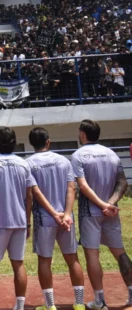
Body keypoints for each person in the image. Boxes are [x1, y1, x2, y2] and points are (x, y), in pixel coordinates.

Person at [71, 120, 132, 309]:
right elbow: (123, 183)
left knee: (92, 255)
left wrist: (101, 204)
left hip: (90, 211)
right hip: (110, 212)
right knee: (120, 252)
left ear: (82, 134)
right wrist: (110, 204)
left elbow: (82, 185)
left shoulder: (78, 155)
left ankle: (100, 301)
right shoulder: (112, 154)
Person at [26, 127, 85, 310]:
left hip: (44, 218)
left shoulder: (28, 163)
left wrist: (51, 214)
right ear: (48, 141)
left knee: (44, 260)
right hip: (66, 218)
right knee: (72, 258)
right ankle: (80, 303)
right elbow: (71, 189)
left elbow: (33, 193)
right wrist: (66, 214)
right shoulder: (63, 161)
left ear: (31, 143)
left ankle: (50, 306)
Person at [0, 127, 37, 310]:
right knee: (18, 263)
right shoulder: (23, 163)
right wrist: (27, 222)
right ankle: (19, 306)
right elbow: (30, 196)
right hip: (19, 220)